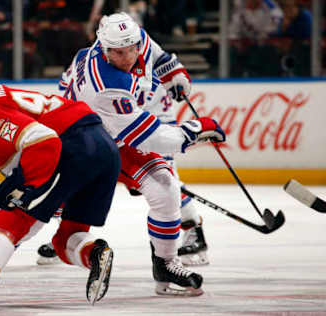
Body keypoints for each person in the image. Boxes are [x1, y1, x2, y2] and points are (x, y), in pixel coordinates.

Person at [54, 12, 224, 296]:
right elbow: (149, 136)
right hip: (88, 142)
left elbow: (156, 56)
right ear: (104, 48)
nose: (127, 57)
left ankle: (166, 264)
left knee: (165, 187)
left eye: (131, 49)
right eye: (118, 53)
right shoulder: (106, 85)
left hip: (116, 133)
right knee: (56, 208)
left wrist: (175, 74)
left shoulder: (133, 39)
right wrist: (196, 130)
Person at [0, 83, 120, 309]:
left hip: (73, 147)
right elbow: (9, 126)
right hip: (104, 150)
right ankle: (95, 253)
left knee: (14, 217)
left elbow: (45, 141)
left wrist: (23, 185)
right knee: (66, 238)